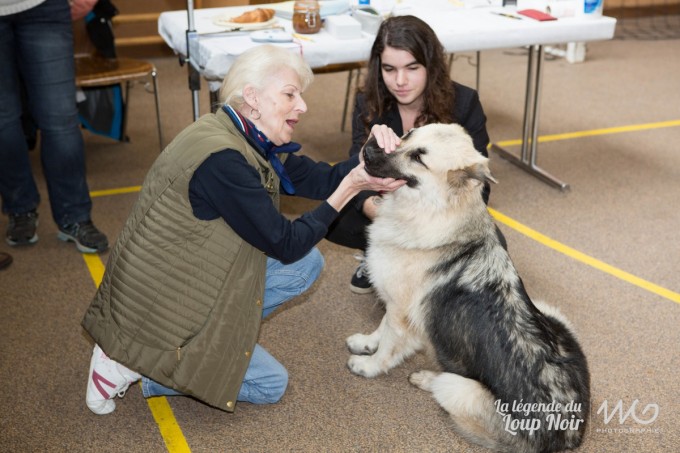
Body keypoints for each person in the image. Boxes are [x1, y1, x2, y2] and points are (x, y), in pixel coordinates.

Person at [80, 44, 406, 415]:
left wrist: (368, 160)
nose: (302, 106)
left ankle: (182, 351)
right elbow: (286, 242)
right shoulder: (225, 162)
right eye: (289, 94)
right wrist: (352, 186)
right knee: (269, 384)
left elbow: (321, 177)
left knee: (308, 264)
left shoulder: (239, 135)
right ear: (252, 97)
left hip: (186, 279)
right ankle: (127, 364)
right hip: (162, 308)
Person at [325, 15, 493, 294]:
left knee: (490, 244)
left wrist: (425, 229)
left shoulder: (464, 103)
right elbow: (357, 168)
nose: (400, 81)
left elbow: (479, 188)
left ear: (431, 65)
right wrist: (388, 219)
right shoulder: (367, 103)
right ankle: (379, 253)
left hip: (438, 217)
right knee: (333, 217)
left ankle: (420, 264)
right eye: (389, 69)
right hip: (389, 211)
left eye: (412, 68)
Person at [0, 0, 108, 253]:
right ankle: (20, 209)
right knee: (3, 120)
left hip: (43, 7)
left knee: (60, 118)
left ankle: (75, 216)